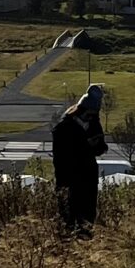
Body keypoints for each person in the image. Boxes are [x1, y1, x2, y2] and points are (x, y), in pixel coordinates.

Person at [50, 84, 107, 235]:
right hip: (69, 180)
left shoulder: (93, 123)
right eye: (88, 114)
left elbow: (101, 147)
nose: (91, 117)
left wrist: (96, 144)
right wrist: (85, 146)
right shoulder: (63, 128)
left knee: (87, 220)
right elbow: (62, 158)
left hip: (88, 179)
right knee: (69, 220)